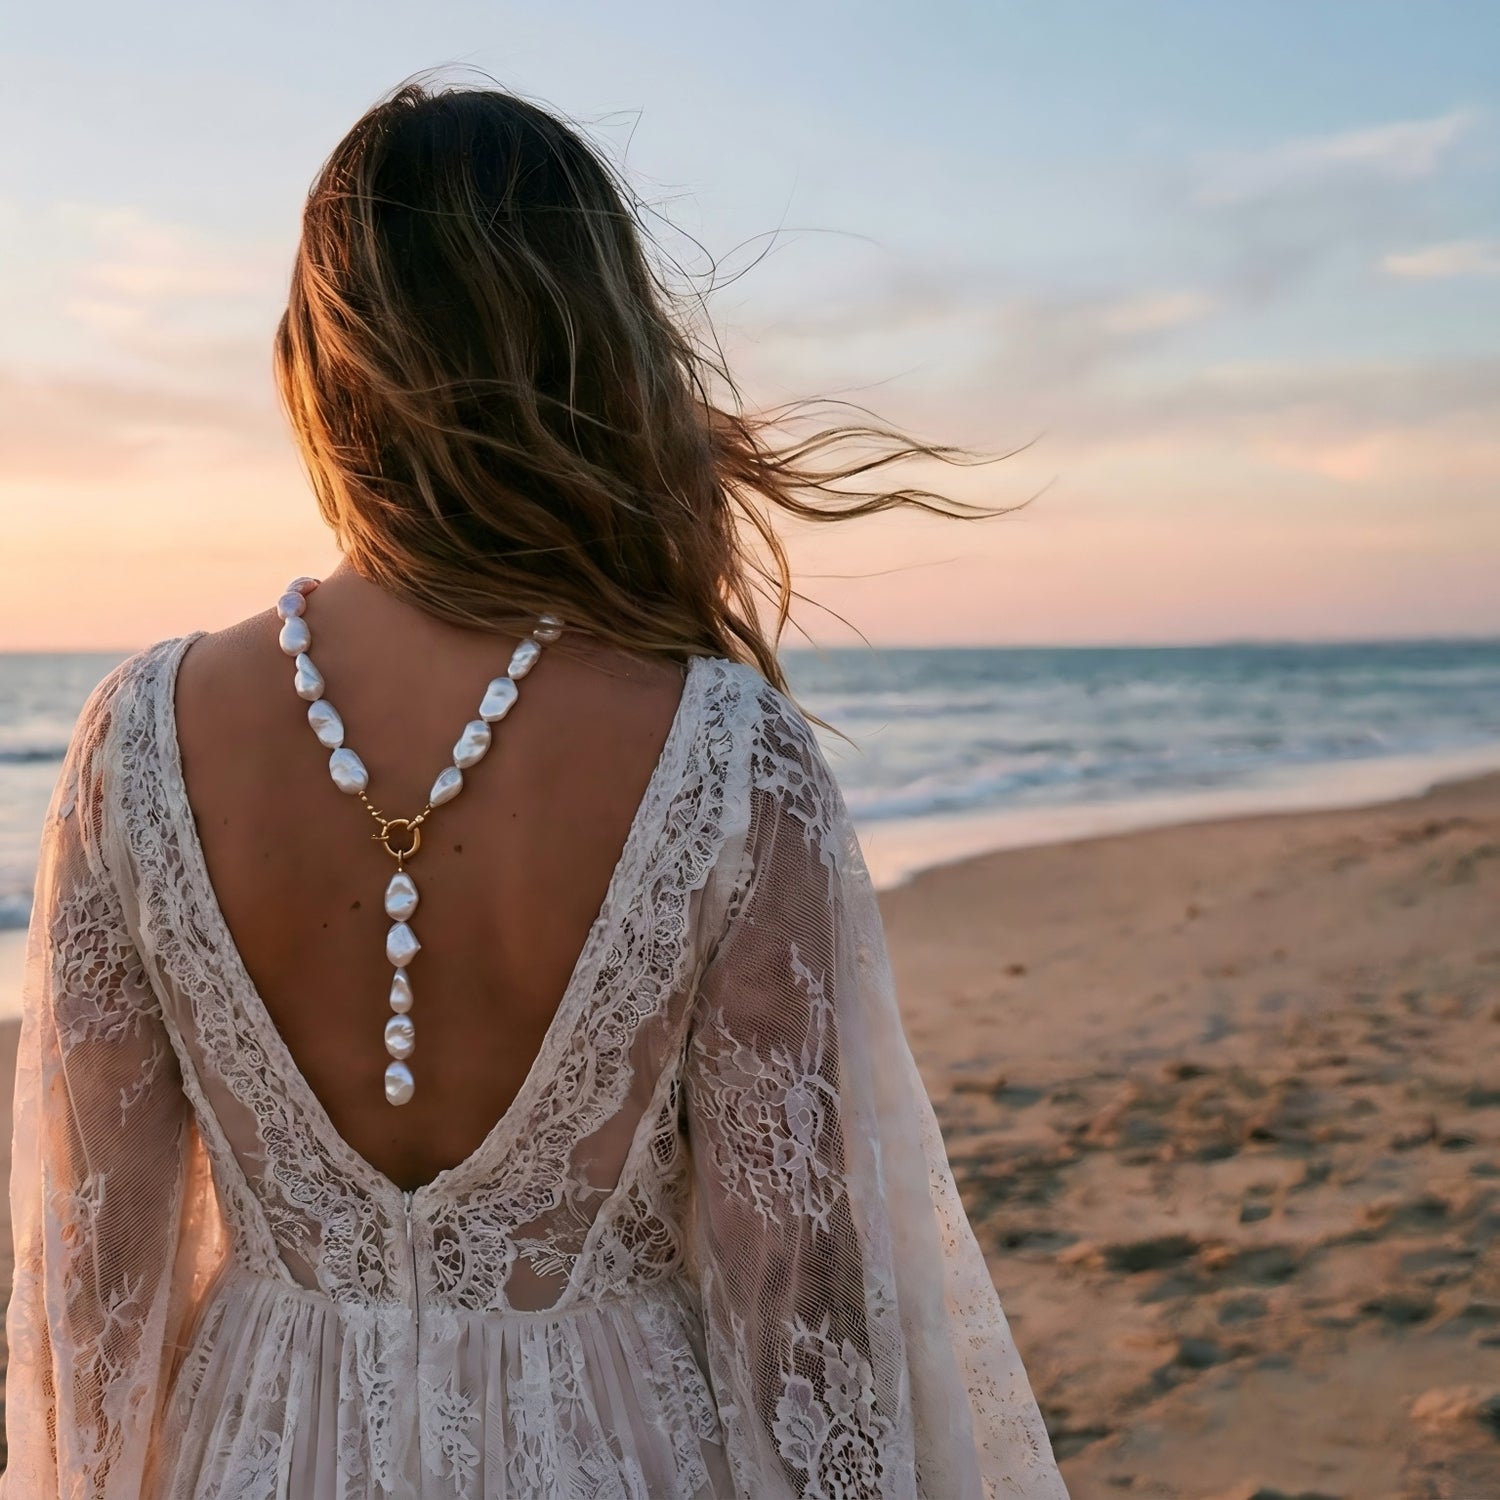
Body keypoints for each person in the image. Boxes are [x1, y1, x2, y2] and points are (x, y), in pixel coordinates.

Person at [1, 80, 1069, 1499]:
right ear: (600, 348)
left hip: (251, 1453)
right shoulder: (726, 752)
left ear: (323, 366)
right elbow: (800, 1290)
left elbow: (91, 1276)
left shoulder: (135, 739)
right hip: (619, 1450)